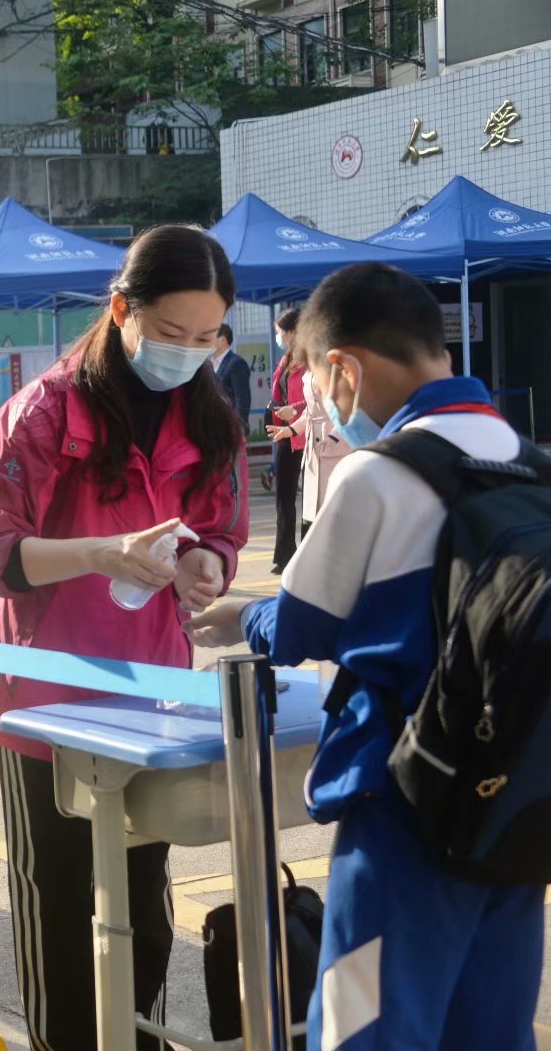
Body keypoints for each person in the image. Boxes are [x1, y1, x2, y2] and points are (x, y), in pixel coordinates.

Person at [188, 263, 543, 1051]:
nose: (324, 406)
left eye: (318, 386)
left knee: (363, 1027)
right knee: (493, 1028)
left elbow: (302, 624)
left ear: (344, 370)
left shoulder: (380, 472)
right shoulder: (532, 462)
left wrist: (239, 616)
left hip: (405, 808)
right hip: (520, 806)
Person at [0, 225, 248, 1051]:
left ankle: (134, 1039)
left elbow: (222, 528)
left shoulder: (211, 419)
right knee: (59, 909)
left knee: (144, 912)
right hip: (42, 707)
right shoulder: (43, 413)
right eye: (171, 332)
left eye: (206, 337)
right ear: (122, 311)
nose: (188, 352)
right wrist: (99, 553)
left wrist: (207, 565)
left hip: (150, 700)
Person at [268, 309, 307, 574]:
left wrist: (294, 409)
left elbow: (317, 397)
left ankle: (307, 556)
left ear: (292, 332)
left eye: (280, 333)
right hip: (285, 434)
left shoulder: (312, 359)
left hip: (307, 434)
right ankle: (285, 556)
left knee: (312, 501)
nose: (279, 337)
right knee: (284, 497)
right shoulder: (286, 360)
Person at [299, 354, 351, 540]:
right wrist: (291, 429)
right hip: (314, 443)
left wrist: (334, 437)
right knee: (313, 513)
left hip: (333, 442)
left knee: (333, 509)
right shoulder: (309, 370)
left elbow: (347, 407)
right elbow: (309, 411)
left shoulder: (333, 367)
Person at [212, 323, 252, 428]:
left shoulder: (236, 363)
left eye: (211, 337)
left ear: (222, 340)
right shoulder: (208, 365)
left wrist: (238, 428)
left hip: (229, 427)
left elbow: (242, 400)